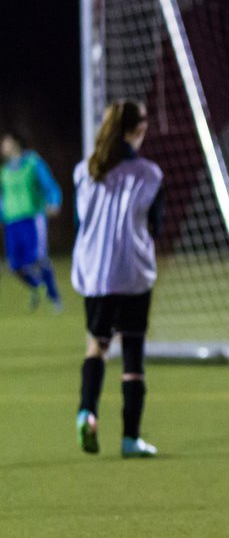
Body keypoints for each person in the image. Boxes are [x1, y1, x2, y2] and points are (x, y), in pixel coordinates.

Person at [71, 100, 164, 458]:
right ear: (138, 129)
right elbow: (156, 224)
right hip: (133, 273)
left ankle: (86, 413)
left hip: (94, 273)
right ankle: (130, 438)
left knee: (97, 346)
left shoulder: (86, 170)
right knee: (132, 355)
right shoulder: (149, 174)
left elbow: (81, 224)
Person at [2, 131, 63, 311]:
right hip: (12, 223)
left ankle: (54, 296)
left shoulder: (32, 163)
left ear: (15, 143)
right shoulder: (4, 171)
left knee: (38, 258)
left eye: (5, 142)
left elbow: (49, 185)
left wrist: (54, 202)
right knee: (14, 265)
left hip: (32, 218)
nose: (2, 147)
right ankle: (38, 285)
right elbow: (3, 199)